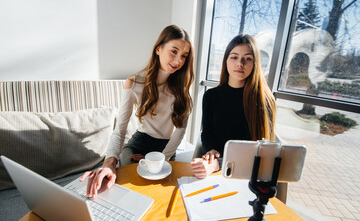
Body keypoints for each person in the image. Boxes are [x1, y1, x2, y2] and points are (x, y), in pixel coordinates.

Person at [80, 25, 194, 198]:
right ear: (158, 49)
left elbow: (180, 132)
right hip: (139, 143)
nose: (178, 60)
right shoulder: (134, 83)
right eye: (174, 51)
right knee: (128, 177)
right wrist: (109, 162)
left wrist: (160, 158)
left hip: (166, 148)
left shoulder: (182, 90)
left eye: (184, 56)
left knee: (162, 188)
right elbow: (120, 130)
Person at [191, 34, 276, 179]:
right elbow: (207, 133)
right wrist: (211, 152)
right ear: (225, 61)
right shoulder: (211, 96)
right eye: (234, 57)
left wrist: (219, 163)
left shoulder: (264, 100)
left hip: (248, 170)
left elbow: (261, 149)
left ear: (255, 64)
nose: (240, 63)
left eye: (248, 58)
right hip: (215, 168)